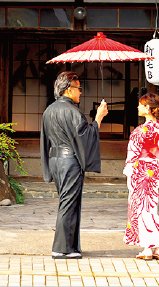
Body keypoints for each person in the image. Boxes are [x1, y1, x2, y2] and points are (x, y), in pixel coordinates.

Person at [40, 71, 108, 259]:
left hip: (55, 160)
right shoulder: (73, 112)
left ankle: (70, 247)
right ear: (69, 89)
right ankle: (61, 248)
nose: (81, 92)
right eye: (79, 88)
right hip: (70, 161)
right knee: (69, 203)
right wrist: (98, 118)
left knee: (68, 201)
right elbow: (85, 138)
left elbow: (44, 140)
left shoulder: (49, 111)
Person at [123, 93, 159, 260]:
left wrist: (129, 171)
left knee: (141, 207)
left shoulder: (141, 130)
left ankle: (147, 248)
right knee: (151, 206)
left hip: (141, 169)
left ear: (147, 108)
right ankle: (158, 246)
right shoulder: (158, 127)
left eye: (140, 105)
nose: (138, 107)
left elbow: (133, 154)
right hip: (154, 167)